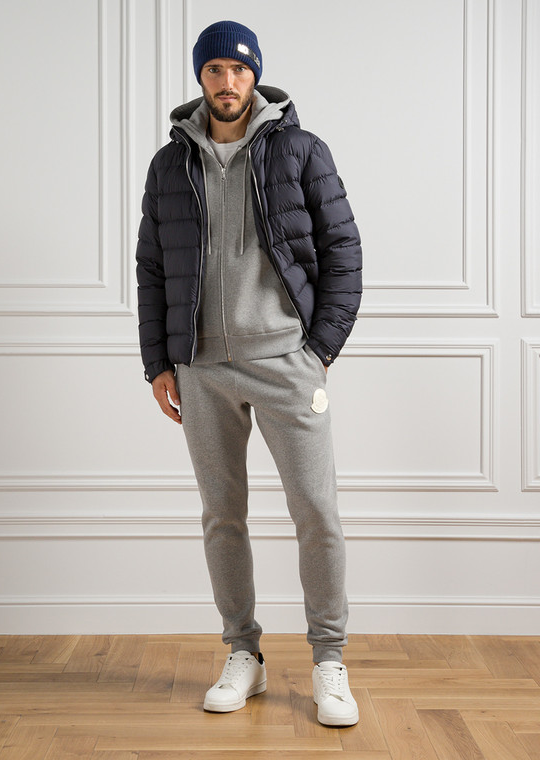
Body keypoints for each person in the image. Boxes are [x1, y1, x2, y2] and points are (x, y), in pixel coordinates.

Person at [135, 20, 362, 726]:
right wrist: (158, 361)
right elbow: (151, 268)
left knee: (316, 511)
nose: (227, 82)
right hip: (201, 369)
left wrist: (319, 348)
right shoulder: (169, 165)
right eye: (214, 70)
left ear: (254, 75)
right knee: (222, 517)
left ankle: (329, 660)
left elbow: (343, 248)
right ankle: (244, 653)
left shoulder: (300, 149)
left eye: (238, 69)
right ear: (200, 77)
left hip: (287, 362)